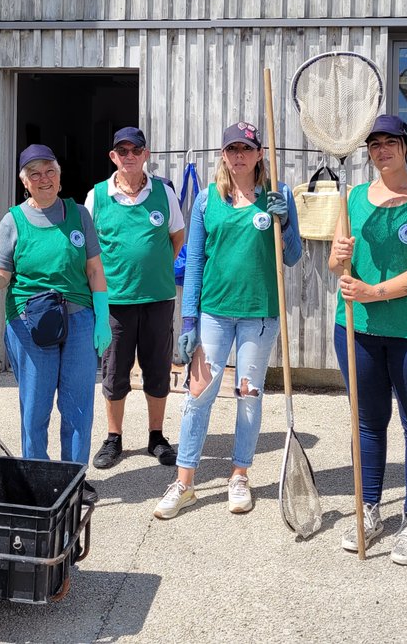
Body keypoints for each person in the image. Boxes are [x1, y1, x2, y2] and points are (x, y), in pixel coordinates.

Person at [153, 121, 300, 519]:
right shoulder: (205, 200)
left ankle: (239, 474)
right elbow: (195, 261)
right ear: (223, 154)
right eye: (232, 149)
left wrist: (284, 224)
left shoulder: (278, 195)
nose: (239, 156)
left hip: (260, 314)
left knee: (248, 397)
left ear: (259, 155)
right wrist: (188, 322)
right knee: (197, 397)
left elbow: (292, 256)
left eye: (247, 149)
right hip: (214, 314)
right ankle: (184, 483)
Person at [328, 116, 407, 564]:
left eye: (389, 143)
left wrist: (373, 293)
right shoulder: (354, 198)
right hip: (357, 328)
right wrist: (337, 256)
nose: (381, 150)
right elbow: (338, 266)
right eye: (374, 144)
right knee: (367, 424)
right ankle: (370, 508)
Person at [0, 144, 111, 506]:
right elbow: (2, 276)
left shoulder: (79, 215)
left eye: (49, 171)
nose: (44, 179)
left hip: (79, 320)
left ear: (60, 176)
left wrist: (102, 317)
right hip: (30, 323)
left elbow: (94, 269)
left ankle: (73, 478)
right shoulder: (12, 220)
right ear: (25, 181)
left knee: (78, 406)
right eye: (35, 173)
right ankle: (39, 478)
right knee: (35, 407)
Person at [84, 127, 186, 470]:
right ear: (113, 157)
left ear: (146, 154)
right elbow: (88, 252)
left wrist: (153, 269)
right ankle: (113, 438)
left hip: (158, 299)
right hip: (114, 304)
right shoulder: (97, 196)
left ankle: (156, 437)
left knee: (157, 370)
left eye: (135, 150)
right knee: (114, 373)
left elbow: (177, 238)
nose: (129, 156)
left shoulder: (164, 193)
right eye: (122, 151)